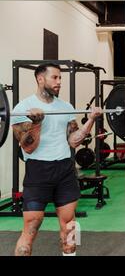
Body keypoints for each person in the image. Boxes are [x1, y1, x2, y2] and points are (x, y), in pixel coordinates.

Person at [10, 63, 102, 256]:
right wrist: (35, 124)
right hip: (38, 171)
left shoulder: (65, 106)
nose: (59, 82)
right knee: (31, 229)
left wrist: (91, 120)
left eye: (61, 78)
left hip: (65, 171)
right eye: (55, 78)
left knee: (70, 226)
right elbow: (28, 147)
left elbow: (73, 141)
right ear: (40, 79)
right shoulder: (23, 108)